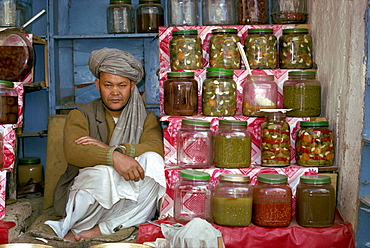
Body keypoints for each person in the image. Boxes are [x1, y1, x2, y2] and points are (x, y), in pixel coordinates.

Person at [44, 48, 166, 242]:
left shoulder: (146, 118)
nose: (115, 92)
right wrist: (114, 157)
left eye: (122, 85)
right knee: (103, 173)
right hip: (89, 203)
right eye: (108, 85)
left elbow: (155, 147)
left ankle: (101, 230)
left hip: (127, 202)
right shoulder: (81, 114)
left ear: (133, 86)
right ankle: (80, 227)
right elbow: (74, 151)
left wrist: (115, 150)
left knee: (153, 160)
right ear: (98, 84)